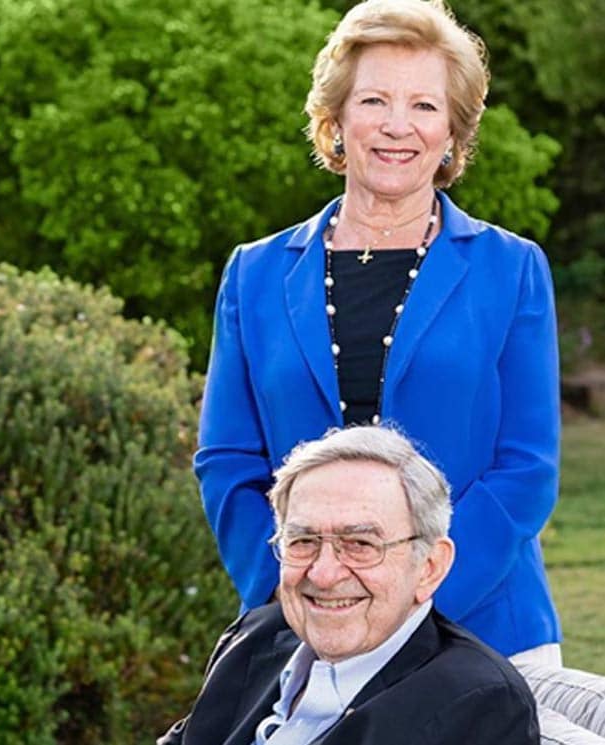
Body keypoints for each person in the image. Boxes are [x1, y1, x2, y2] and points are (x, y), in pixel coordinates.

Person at [196, 0, 557, 667]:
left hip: (483, 631)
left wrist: (413, 606)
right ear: (334, 121)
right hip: (308, 631)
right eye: (373, 101)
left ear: (452, 132)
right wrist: (297, 592)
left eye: (423, 105)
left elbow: (526, 468)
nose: (398, 126)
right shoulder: (253, 274)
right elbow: (228, 460)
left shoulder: (510, 268)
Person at [160, 426, 540, 744]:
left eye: (360, 545)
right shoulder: (258, 636)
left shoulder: (479, 702)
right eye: (302, 541)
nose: (324, 574)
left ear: (429, 566)